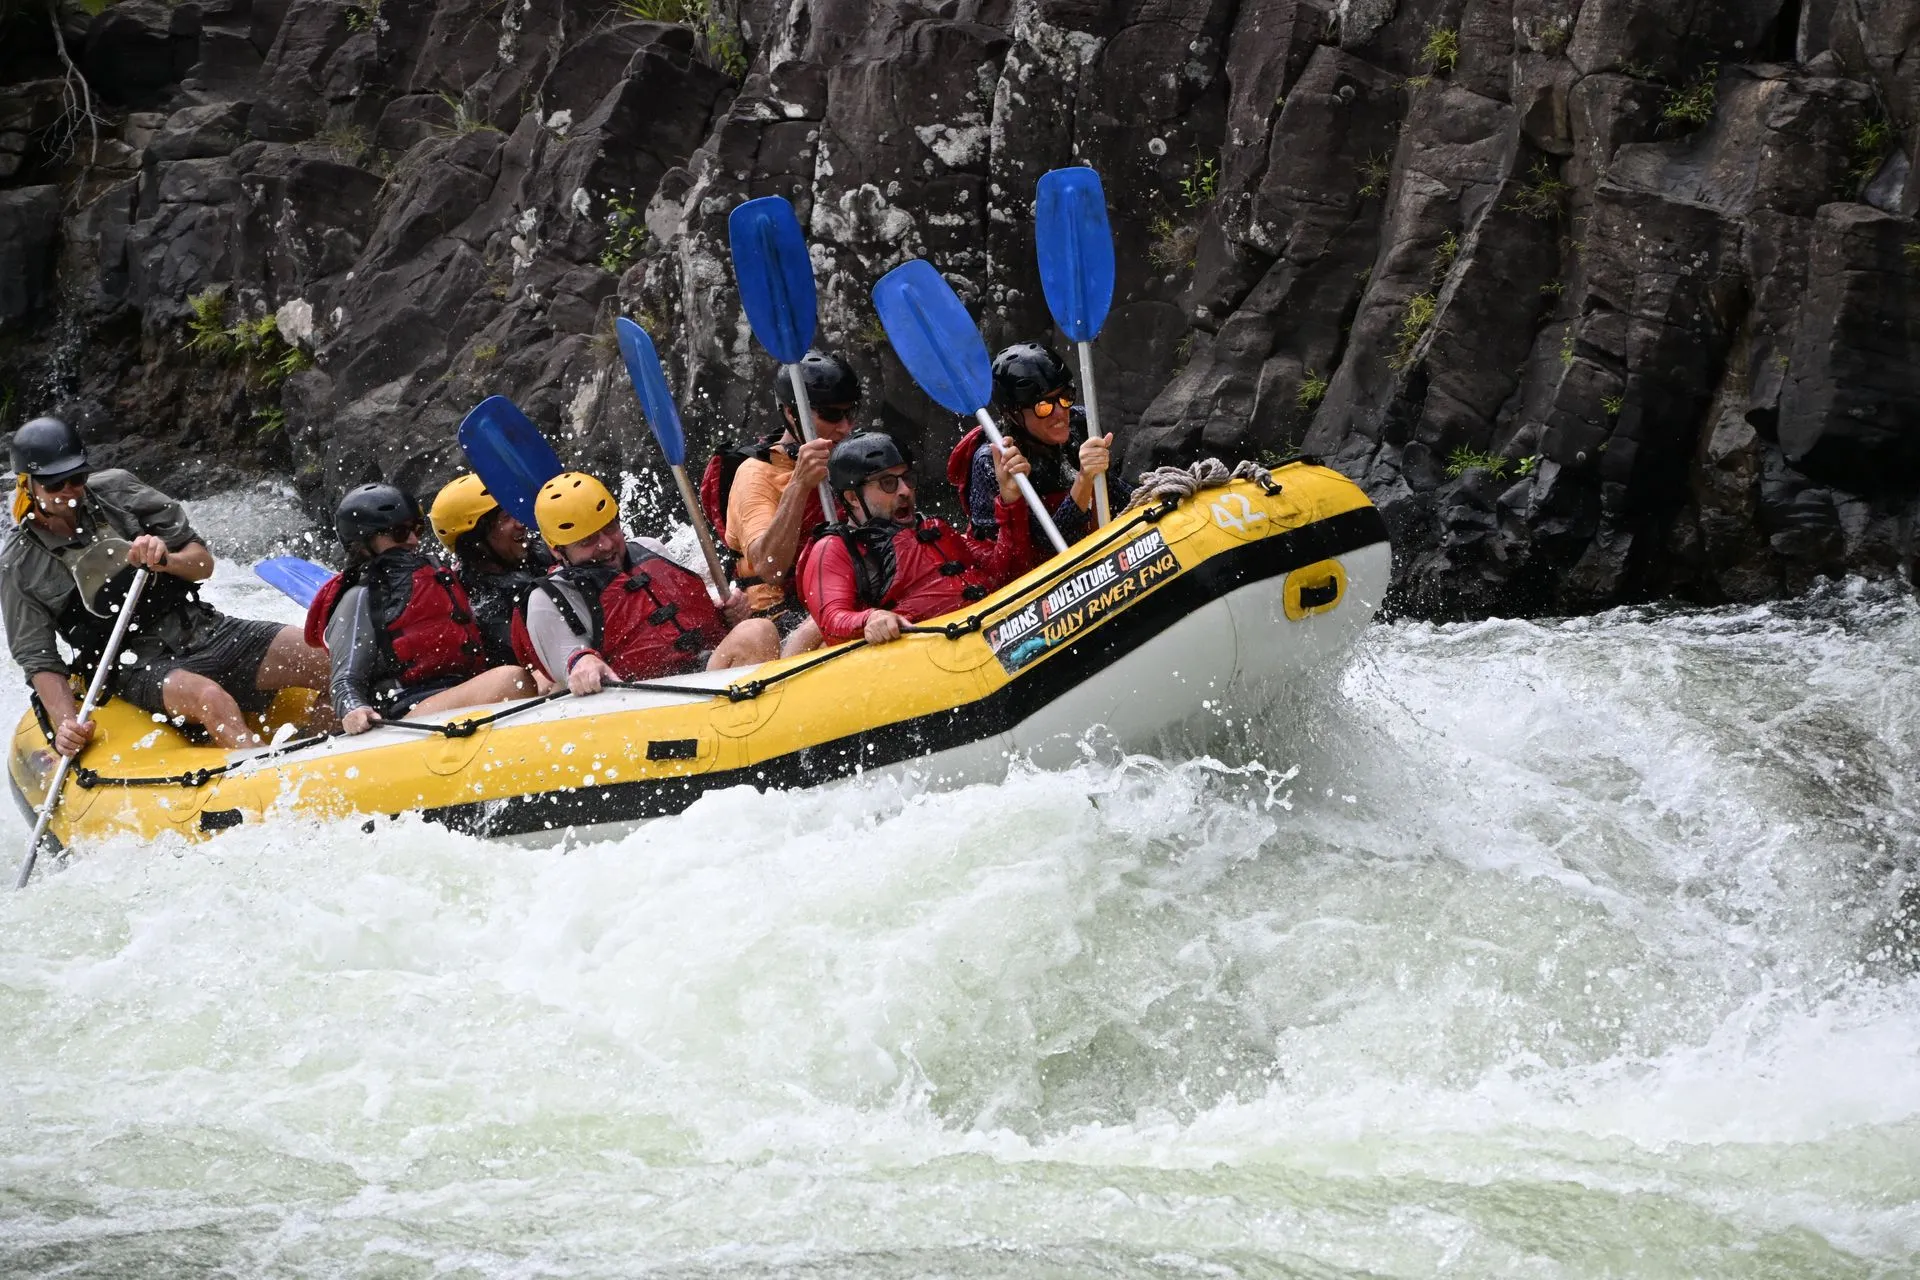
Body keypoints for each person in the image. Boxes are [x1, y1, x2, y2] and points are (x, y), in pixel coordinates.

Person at [0, 415, 331, 755]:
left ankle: (321, 747)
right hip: (134, 664)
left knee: (332, 658)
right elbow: (38, 658)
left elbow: (203, 565)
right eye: (55, 484)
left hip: (204, 629)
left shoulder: (118, 490)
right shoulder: (19, 564)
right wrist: (67, 723)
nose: (69, 491)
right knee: (211, 699)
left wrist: (166, 561)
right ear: (27, 485)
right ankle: (262, 768)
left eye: (76, 478)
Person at [517, 471, 779, 696]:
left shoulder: (649, 548)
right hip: (646, 704)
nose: (606, 545)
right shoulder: (549, 599)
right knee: (755, 633)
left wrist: (725, 615)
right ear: (556, 550)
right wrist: (582, 663)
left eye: (610, 528)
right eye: (587, 541)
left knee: (773, 631)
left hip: (707, 676)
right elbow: (571, 666)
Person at [306, 483, 536, 734]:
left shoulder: (439, 576)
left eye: (417, 529)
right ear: (363, 544)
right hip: (406, 713)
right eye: (399, 532)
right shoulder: (360, 596)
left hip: (456, 693)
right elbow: (345, 679)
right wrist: (353, 709)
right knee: (512, 680)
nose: (413, 540)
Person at [799, 433, 1033, 647]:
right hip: (924, 652)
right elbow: (831, 620)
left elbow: (1009, 572)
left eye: (907, 478)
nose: (905, 490)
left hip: (985, 632)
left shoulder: (933, 529)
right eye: (888, 482)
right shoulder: (836, 548)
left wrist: (1010, 500)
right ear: (853, 498)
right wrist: (870, 618)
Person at [719, 350, 863, 656]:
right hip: (783, 624)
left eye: (850, 414)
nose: (845, 428)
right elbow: (769, 568)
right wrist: (800, 484)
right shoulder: (756, 475)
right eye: (831, 415)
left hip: (841, 601)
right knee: (823, 628)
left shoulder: (850, 462)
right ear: (790, 412)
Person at [947, 342, 1129, 572]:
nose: (1060, 413)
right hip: (1010, 566)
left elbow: (1118, 496)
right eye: (1043, 407)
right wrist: (1084, 479)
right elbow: (1046, 549)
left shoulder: (1080, 423)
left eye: (1066, 397)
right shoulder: (993, 461)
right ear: (1013, 415)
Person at [427, 473, 553, 672]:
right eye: (506, 517)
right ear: (476, 541)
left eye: (514, 511)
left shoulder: (542, 552)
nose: (520, 523)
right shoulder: (483, 605)